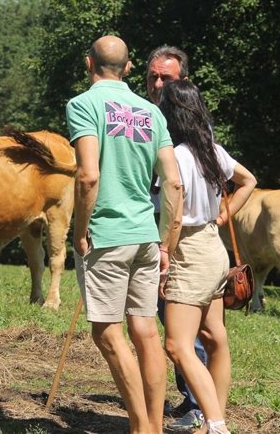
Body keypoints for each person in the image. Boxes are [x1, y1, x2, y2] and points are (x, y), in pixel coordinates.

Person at [68, 35, 183, 433]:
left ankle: (141, 428)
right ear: (131, 67)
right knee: (147, 330)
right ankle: (154, 423)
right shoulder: (153, 113)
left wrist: (79, 231)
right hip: (146, 236)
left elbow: (88, 175)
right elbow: (172, 184)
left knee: (107, 333)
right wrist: (166, 241)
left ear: (89, 64)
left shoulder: (83, 105)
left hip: (107, 234)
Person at [158, 80, 256, 434]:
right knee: (215, 338)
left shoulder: (177, 156)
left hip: (189, 250)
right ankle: (214, 421)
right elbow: (248, 181)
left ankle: (216, 426)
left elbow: (174, 214)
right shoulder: (212, 150)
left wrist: (164, 252)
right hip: (215, 249)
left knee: (177, 345)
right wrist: (223, 216)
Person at [147, 44, 209, 432]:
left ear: (182, 81)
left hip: (182, 234)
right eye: (152, 76)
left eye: (165, 78)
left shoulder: (185, 125)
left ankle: (200, 405)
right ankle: (198, 399)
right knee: (172, 320)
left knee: (183, 328)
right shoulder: (146, 115)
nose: (156, 84)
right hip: (155, 227)